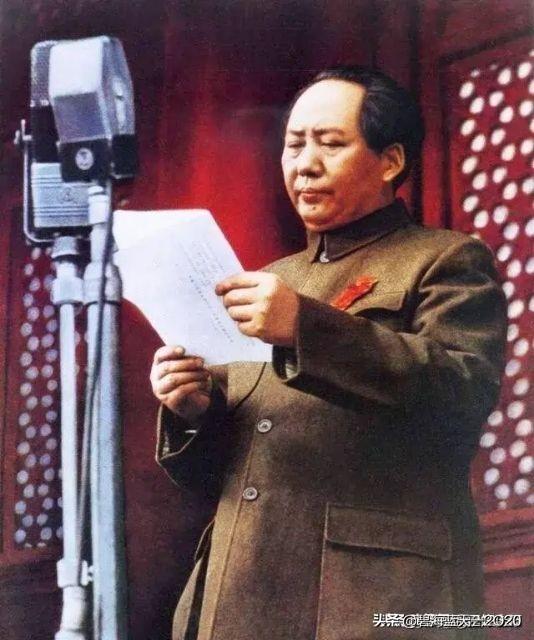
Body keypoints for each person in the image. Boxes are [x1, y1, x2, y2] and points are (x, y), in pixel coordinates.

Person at [149, 66, 507, 640]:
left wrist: (304, 328)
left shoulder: (444, 259)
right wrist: (193, 411)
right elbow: (228, 471)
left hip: (371, 602)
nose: (305, 164)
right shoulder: (267, 280)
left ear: (390, 161)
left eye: (330, 144)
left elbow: (460, 392)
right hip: (238, 596)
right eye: (294, 145)